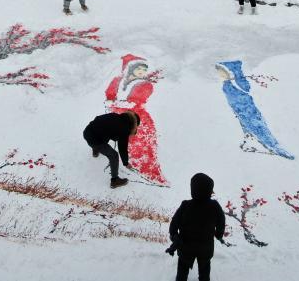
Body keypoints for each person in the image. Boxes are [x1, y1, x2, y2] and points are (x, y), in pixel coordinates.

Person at [104, 54, 167, 184]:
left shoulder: (144, 85)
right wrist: (111, 102)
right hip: (119, 118)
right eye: (139, 69)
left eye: (144, 70)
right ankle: (123, 165)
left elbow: (135, 102)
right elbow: (109, 95)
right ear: (130, 68)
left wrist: (114, 104)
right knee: (120, 140)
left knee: (139, 144)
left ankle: (143, 170)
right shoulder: (117, 81)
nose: (142, 72)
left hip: (138, 119)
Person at [216, 61, 294, 159]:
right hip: (240, 110)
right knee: (246, 124)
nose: (219, 74)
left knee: (257, 125)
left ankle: (272, 145)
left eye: (221, 71)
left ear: (229, 72)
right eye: (218, 71)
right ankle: (250, 140)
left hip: (246, 108)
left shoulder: (237, 83)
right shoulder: (226, 84)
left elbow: (245, 89)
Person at [168, 172, 226, 281]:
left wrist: (174, 236)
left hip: (185, 246)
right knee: (204, 270)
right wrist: (219, 234)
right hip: (206, 247)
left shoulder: (185, 205)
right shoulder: (214, 206)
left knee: (182, 270)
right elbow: (221, 221)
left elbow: (174, 223)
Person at [82, 111, 139, 188]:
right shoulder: (124, 130)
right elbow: (122, 148)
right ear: (133, 125)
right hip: (94, 141)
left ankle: (95, 150)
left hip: (87, 132)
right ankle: (115, 180)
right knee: (114, 155)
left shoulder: (115, 116)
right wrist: (125, 163)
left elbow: (99, 121)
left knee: (104, 135)